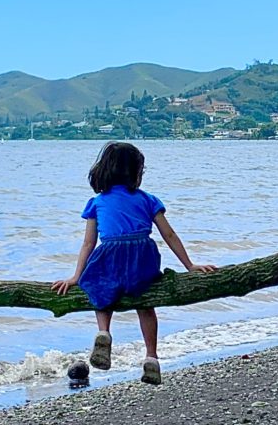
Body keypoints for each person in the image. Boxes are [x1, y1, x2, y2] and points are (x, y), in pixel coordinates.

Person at [52, 142, 216, 385]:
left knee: (98, 286)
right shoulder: (149, 200)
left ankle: (104, 332)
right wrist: (189, 265)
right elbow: (169, 235)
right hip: (143, 257)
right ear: (135, 173)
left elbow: (88, 244)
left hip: (110, 254)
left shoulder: (97, 202)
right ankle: (151, 357)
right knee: (145, 304)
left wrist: (76, 277)